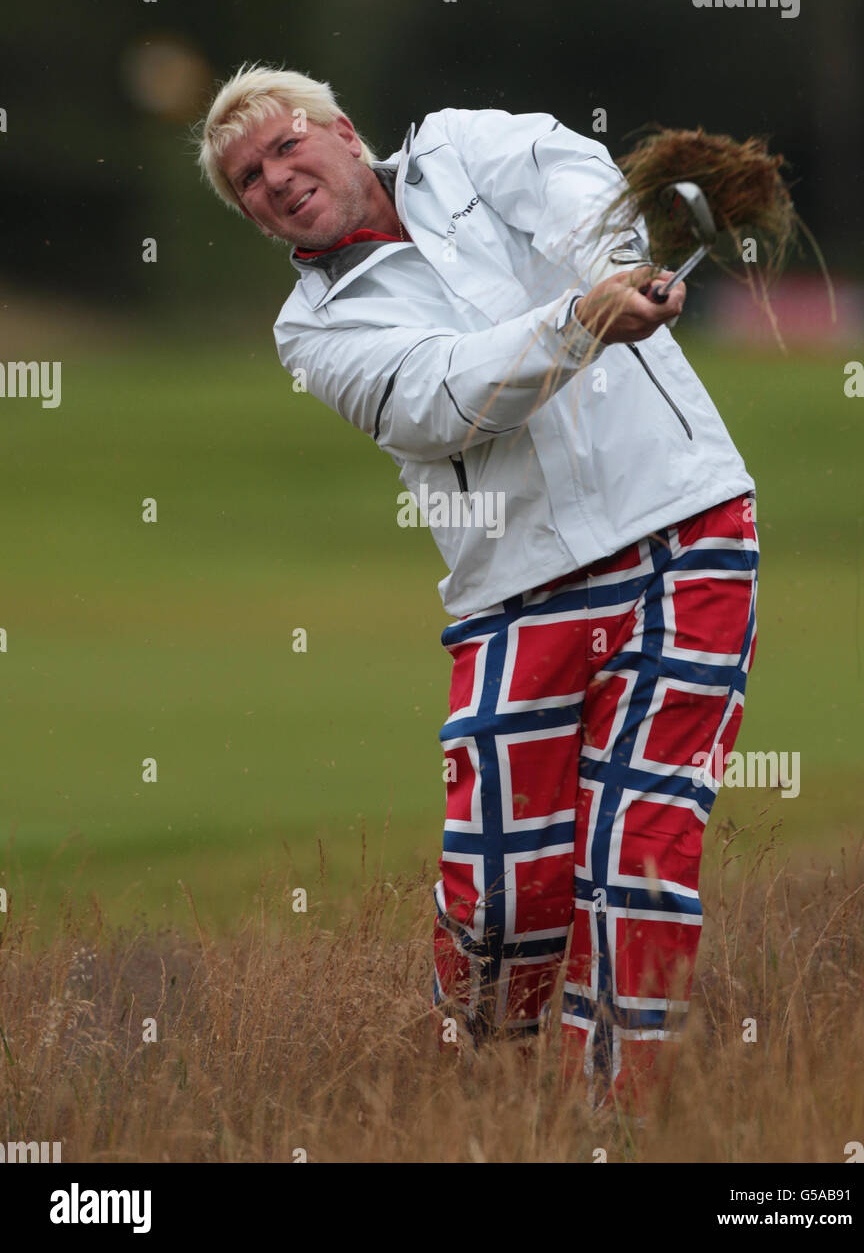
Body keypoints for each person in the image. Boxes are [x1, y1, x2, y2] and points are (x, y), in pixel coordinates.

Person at [196, 65, 759, 1112]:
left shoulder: (459, 144)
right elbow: (443, 400)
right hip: (513, 590)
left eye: (286, 147)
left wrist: (619, 268)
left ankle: (620, 1121)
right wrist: (581, 321)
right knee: (505, 892)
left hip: (684, 524)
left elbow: (575, 185)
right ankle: (490, 1102)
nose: (274, 179)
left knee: (640, 849)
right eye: (247, 180)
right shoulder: (311, 332)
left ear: (346, 133)